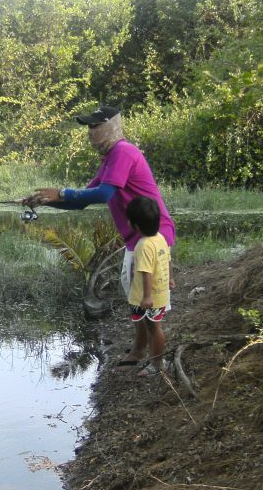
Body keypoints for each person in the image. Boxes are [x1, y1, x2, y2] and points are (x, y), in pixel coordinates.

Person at [22, 105, 176, 365]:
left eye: (94, 126)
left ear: (110, 126)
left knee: (148, 304)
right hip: (136, 238)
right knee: (135, 295)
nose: (90, 133)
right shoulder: (110, 159)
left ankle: (157, 364)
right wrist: (46, 201)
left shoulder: (123, 152)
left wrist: (63, 193)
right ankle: (139, 350)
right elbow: (83, 199)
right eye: (89, 128)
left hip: (152, 235)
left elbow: (104, 194)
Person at [125, 196, 171, 376]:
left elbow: (145, 272)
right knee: (154, 327)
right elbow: (167, 259)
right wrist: (171, 279)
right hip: (160, 293)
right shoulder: (160, 238)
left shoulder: (143, 245)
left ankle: (157, 364)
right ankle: (156, 359)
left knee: (154, 328)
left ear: (135, 225)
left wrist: (146, 296)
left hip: (149, 297)